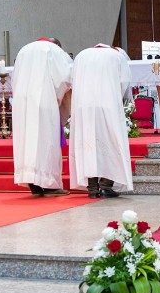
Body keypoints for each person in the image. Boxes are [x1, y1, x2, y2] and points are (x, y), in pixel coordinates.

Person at [69, 45, 133, 198]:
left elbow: (72, 80)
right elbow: (124, 81)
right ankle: (105, 186)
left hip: (84, 106)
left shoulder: (81, 55)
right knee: (111, 143)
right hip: (108, 104)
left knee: (88, 146)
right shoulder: (116, 56)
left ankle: (92, 188)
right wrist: (120, 98)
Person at [12, 38, 73, 196]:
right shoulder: (53, 50)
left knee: (27, 142)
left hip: (22, 101)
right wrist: (60, 98)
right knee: (46, 141)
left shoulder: (24, 50)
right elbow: (65, 78)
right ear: (57, 45)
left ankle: (33, 183)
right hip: (44, 100)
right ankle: (50, 184)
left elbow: (15, 78)